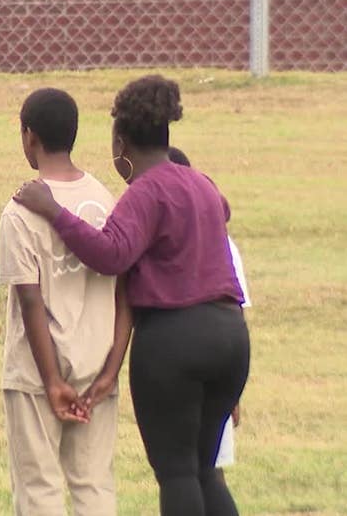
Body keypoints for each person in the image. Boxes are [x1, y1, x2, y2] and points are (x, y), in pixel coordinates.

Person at [14, 75, 250, 515]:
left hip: (175, 341)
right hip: (230, 337)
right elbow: (223, 210)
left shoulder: (145, 191)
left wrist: (53, 210)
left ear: (120, 144)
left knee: (177, 473)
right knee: (203, 469)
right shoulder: (200, 183)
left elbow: (111, 254)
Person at [0, 88, 131, 515]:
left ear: (29, 137)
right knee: (94, 484)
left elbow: (31, 302)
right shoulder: (105, 200)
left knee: (39, 488)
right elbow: (124, 288)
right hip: (97, 367)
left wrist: (53, 379)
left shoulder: (21, 210)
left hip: (37, 373)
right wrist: (111, 368)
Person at [168, 146, 252, 486]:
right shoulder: (220, 237)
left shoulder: (212, 240)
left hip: (199, 368)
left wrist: (233, 393)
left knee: (201, 476)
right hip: (209, 364)